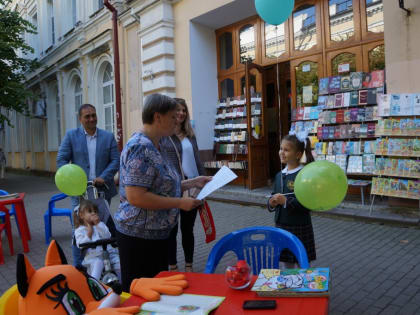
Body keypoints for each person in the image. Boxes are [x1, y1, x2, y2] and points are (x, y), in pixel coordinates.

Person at [114, 93, 211, 292]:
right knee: (141, 297)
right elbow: (136, 196)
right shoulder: (141, 147)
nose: (177, 121)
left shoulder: (158, 144)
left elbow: (161, 185)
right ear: (158, 117)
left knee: (156, 295)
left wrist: (194, 182)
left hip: (156, 236)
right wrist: (179, 203)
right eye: (173, 117)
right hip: (138, 239)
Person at [56, 104, 120, 266]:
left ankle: (105, 264)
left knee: (102, 225)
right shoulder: (71, 136)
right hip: (79, 192)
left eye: (93, 115)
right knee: (79, 230)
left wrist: (104, 177)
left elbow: (115, 160)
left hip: (102, 190)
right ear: (80, 119)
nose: (91, 119)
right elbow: (61, 160)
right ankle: (79, 267)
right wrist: (73, 179)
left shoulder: (108, 136)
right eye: (87, 116)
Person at [161, 98, 205, 273]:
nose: (181, 113)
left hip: (192, 186)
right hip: (172, 188)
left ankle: (189, 266)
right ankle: (172, 266)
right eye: (177, 110)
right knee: (171, 229)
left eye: (184, 110)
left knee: (188, 229)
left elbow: (197, 159)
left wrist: (203, 184)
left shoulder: (190, 135)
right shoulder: (165, 137)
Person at [267, 132, 316, 269]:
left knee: (303, 263)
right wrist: (271, 203)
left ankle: (304, 289)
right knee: (286, 264)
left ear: (298, 154)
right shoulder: (278, 175)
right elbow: (272, 196)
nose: (282, 152)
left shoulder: (304, 175)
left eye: (286, 150)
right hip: (282, 225)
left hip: (299, 226)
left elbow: (308, 204)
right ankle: (289, 288)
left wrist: (286, 202)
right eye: (281, 148)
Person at [74, 199, 120, 281]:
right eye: (90, 211)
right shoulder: (80, 230)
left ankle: (123, 285)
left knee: (118, 262)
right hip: (93, 256)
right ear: (81, 215)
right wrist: (89, 234)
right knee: (98, 263)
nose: (93, 213)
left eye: (95, 211)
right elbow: (80, 244)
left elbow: (107, 235)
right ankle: (95, 284)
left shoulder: (100, 225)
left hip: (108, 253)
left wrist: (98, 224)